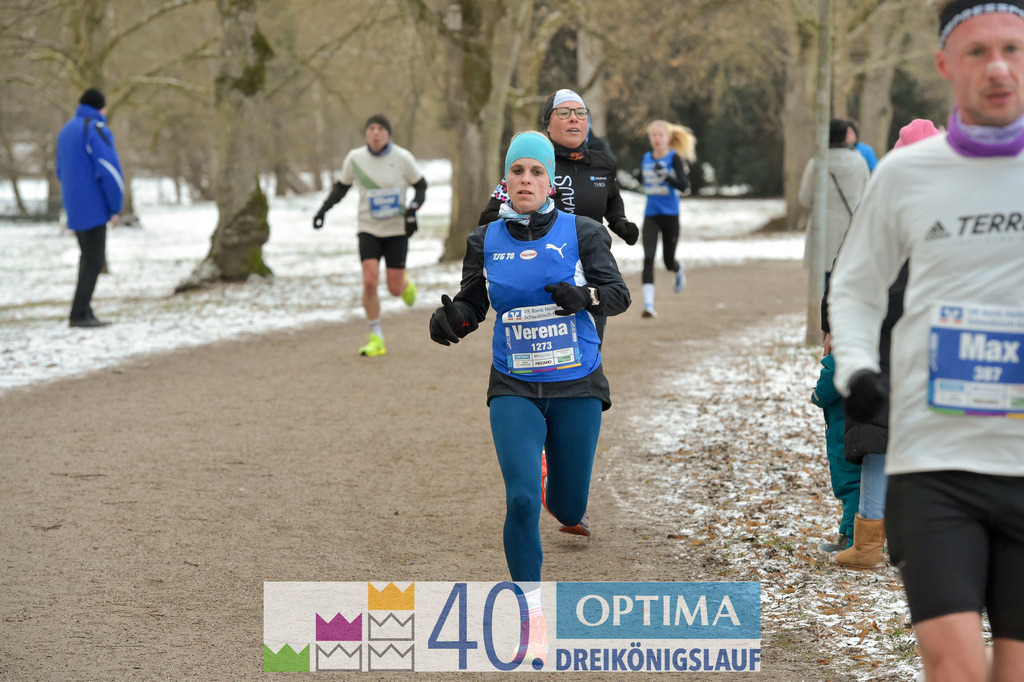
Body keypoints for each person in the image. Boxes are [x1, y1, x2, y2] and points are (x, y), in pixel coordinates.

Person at [828, 3, 1024, 678]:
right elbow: (853, 288)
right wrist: (857, 371)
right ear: (946, 65)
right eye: (977, 53)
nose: (998, 67)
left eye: (1013, 49)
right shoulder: (906, 174)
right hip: (933, 461)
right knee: (955, 664)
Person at [430, 131, 630, 662]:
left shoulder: (582, 232)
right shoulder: (485, 239)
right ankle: (531, 615)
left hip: (576, 384)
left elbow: (618, 295)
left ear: (549, 182)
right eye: (517, 171)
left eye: (536, 172)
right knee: (519, 498)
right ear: (506, 180)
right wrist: (453, 320)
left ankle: (555, 487)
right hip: (514, 383)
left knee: (567, 505)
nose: (526, 180)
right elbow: (475, 302)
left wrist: (583, 296)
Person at [831, 120, 938, 571]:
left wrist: (835, 325)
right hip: (925, 338)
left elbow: (850, 271)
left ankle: (872, 542)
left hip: (886, 336)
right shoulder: (952, 202)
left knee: (880, 441)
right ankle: (911, 539)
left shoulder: (884, 201)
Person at [313, 114, 427, 357]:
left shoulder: (402, 158)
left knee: (394, 288)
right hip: (368, 229)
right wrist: (323, 209)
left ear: (388, 134)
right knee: (369, 281)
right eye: (371, 129)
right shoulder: (355, 158)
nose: (376, 133)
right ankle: (376, 336)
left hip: (396, 231)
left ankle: (404, 285)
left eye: (381, 129)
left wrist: (414, 207)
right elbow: (341, 187)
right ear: (366, 133)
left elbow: (421, 185)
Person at [56, 88, 124, 328]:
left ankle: (83, 310)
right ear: (100, 107)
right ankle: (78, 314)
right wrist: (114, 205)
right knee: (94, 261)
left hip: (73, 204)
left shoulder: (66, 130)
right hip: (93, 205)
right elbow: (109, 168)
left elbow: (60, 170)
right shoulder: (95, 129)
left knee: (87, 259)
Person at [799, 118, 870, 288]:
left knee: (822, 289)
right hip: (850, 232)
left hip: (821, 233)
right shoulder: (859, 162)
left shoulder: (815, 163)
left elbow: (804, 199)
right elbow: (867, 197)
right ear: (845, 136)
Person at [637, 119, 695, 317]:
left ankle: (678, 270)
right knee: (648, 258)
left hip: (670, 215)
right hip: (651, 215)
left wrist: (666, 176)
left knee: (668, 261)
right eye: (653, 135)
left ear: (668, 139)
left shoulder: (674, 158)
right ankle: (649, 305)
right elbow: (642, 180)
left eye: (660, 135)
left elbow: (685, 186)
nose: (656, 139)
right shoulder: (646, 157)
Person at [811, 350, 860, 553]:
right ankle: (847, 535)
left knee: (850, 483)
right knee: (853, 484)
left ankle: (854, 541)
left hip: (846, 431)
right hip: (854, 427)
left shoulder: (844, 352)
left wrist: (815, 394)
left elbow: (826, 387)